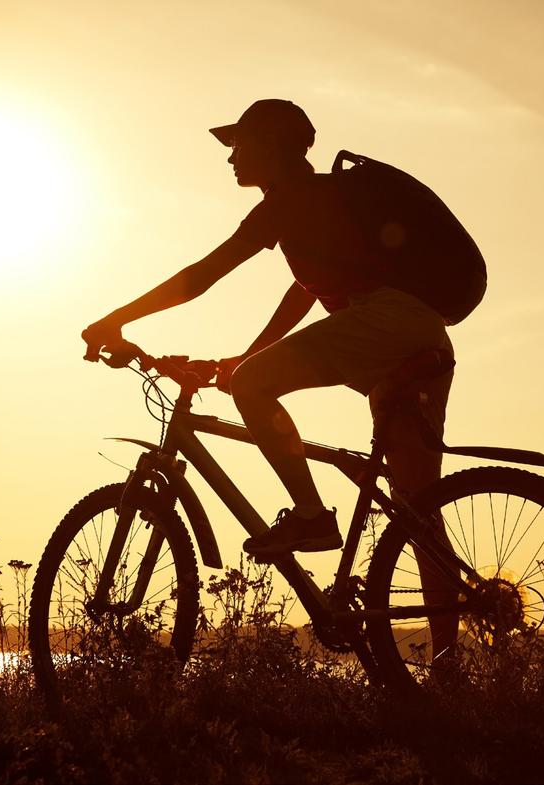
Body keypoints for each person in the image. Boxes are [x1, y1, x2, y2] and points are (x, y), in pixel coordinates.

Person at [81, 101, 459, 641]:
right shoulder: (317, 204)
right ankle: (449, 671)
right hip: (417, 334)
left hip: (388, 322)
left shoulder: (288, 202)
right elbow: (304, 292)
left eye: (241, 144)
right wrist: (246, 359)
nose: (231, 156)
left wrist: (112, 320)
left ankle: (311, 517)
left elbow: (200, 278)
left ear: (273, 146)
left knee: (254, 385)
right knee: (417, 511)